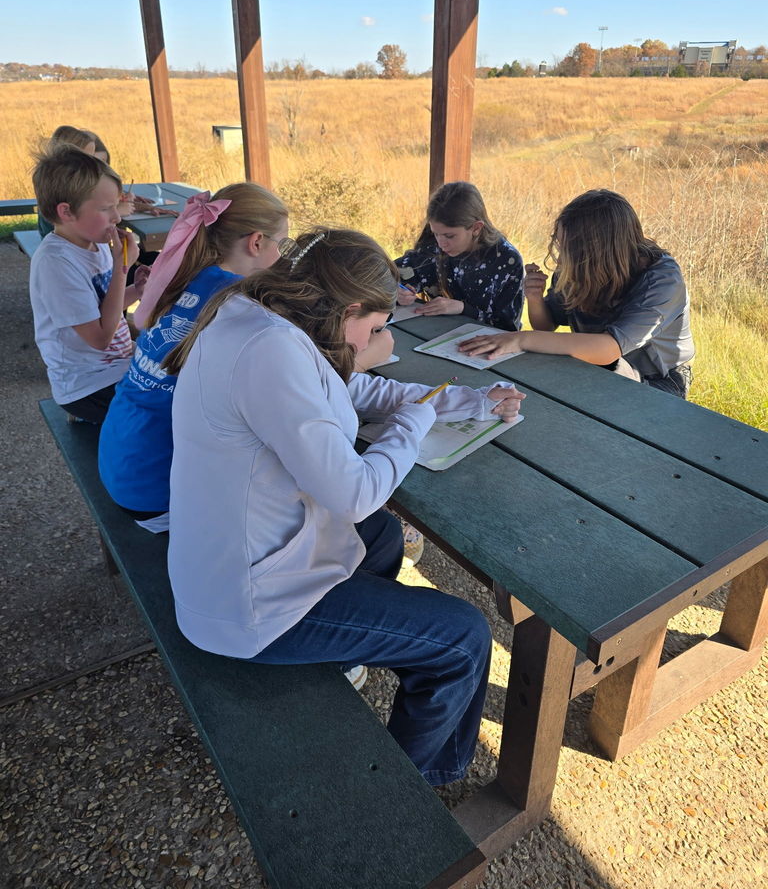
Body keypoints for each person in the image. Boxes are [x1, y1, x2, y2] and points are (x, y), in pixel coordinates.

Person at [163, 228, 524, 785]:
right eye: (377, 328)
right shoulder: (272, 351)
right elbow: (355, 493)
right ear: (349, 307)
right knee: (463, 636)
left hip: (223, 566)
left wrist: (463, 400)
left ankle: (345, 651)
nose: (381, 340)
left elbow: (351, 391)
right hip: (245, 605)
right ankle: (417, 783)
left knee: (379, 536)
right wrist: (417, 420)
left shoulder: (258, 318)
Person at [98, 183, 290, 532]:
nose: (283, 256)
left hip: (121, 464)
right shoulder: (240, 305)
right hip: (158, 494)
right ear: (257, 242)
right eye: (282, 244)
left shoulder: (187, 276)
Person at [458, 189, 695, 397]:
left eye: (569, 248)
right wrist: (534, 297)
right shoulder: (580, 267)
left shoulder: (661, 280)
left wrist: (520, 338)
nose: (560, 258)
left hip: (657, 380)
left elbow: (609, 349)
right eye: (560, 245)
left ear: (597, 251)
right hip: (598, 369)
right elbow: (546, 326)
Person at [29, 143, 146, 423]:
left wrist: (136, 290)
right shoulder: (56, 263)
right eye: (107, 209)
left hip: (116, 363)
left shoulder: (96, 242)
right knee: (171, 409)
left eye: (116, 206)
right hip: (87, 385)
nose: (117, 217)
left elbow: (106, 306)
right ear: (67, 212)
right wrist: (121, 268)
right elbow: (99, 338)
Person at [395, 181, 524, 331]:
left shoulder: (506, 260)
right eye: (436, 233)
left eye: (450, 236)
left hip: (483, 344)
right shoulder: (433, 244)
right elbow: (385, 274)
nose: (442, 243)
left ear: (476, 228)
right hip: (431, 332)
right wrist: (397, 291)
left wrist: (463, 309)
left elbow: (508, 326)